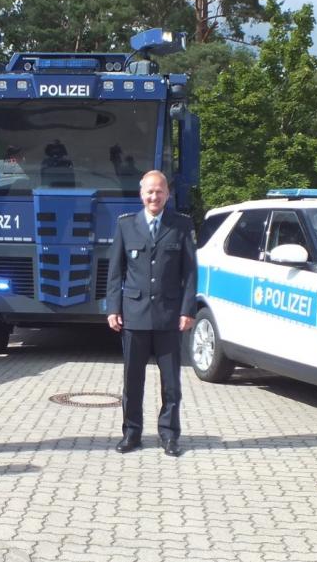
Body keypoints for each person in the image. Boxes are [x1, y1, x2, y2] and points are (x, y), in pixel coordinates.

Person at [106, 170, 197, 457]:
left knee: (171, 383)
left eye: (159, 192)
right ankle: (131, 434)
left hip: (170, 316)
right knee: (132, 381)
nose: (154, 196)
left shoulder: (181, 225)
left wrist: (187, 309)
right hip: (134, 315)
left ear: (167, 195)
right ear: (141, 194)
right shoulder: (126, 226)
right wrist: (113, 308)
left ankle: (169, 435)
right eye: (149, 192)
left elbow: (190, 272)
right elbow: (115, 272)